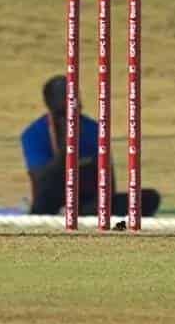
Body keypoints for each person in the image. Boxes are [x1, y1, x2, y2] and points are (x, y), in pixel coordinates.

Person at [21, 74, 161, 218]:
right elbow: (41, 183)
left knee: (149, 198)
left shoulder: (94, 130)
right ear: (50, 106)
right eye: (63, 112)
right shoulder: (34, 134)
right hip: (53, 203)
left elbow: (109, 184)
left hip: (89, 203)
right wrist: (66, 148)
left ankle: (84, 215)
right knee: (43, 204)